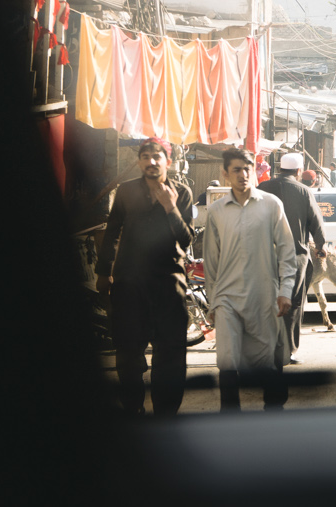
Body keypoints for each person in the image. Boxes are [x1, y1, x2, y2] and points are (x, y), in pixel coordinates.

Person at [96, 138, 196, 416]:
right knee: (128, 353)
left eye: (157, 156)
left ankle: (166, 414)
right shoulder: (126, 192)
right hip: (129, 283)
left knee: (171, 354)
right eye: (145, 156)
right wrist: (104, 272)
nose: (151, 161)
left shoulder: (182, 192)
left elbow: (186, 240)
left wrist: (170, 207)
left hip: (169, 283)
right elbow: (113, 231)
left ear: (168, 161)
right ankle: (133, 409)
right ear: (140, 161)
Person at [199, 147, 301, 411]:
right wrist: (213, 302)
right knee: (228, 359)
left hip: (264, 295)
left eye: (247, 169)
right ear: (225, 174)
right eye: (236, 170)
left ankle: (273, 413)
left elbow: (287, 252)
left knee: (267, 357)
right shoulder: (217, 211)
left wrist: (285, 290)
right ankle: (230, 417)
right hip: (227, 298)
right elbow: (211, 261)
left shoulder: (271, 205)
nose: (243, 175)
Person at [260, 151, 326, 358]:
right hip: (296, 255)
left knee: (266, 301)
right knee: (294, 302)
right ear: (299, 171)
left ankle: (266, 348)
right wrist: (320, 246)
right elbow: (316, 221)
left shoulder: (262, 188)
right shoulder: (304, 191)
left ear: (279, 169)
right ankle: (289, 350)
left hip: (265, 254)